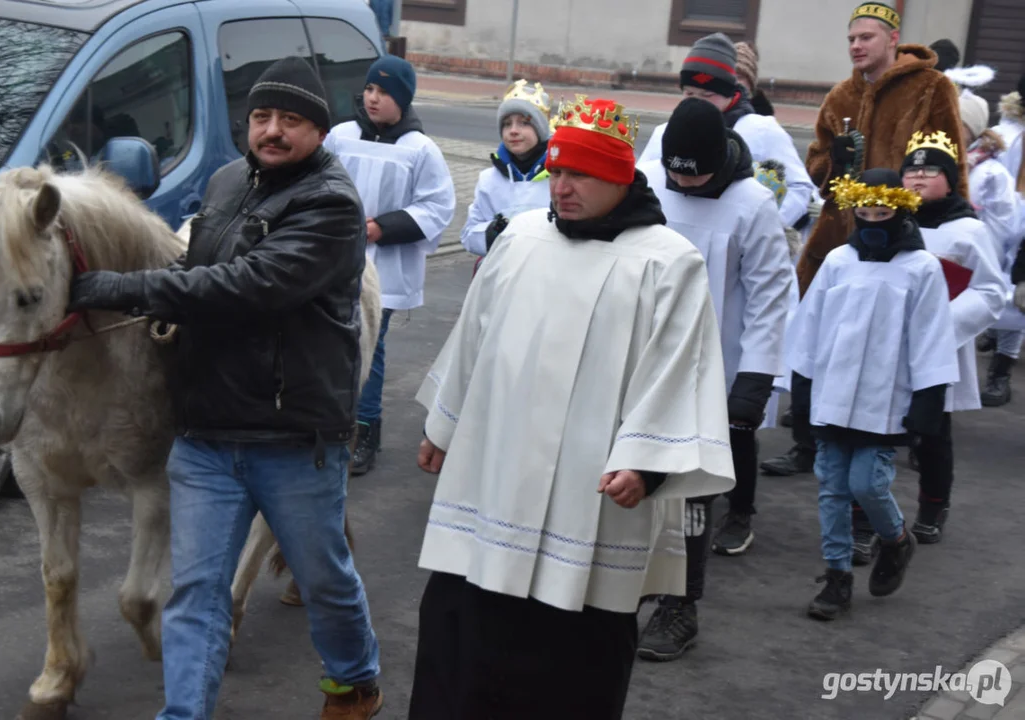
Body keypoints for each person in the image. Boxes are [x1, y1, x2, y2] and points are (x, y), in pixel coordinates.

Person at [65, 56, 383, 719]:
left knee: (324, 582)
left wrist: (118, 288)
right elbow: (196, 265)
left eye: (290, 120)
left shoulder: (331, 204)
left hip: (293, 436)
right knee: (197, 592)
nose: (271, 130)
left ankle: (354, 678)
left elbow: (248, 286)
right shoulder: (228, 180)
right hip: (207, 432)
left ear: (318, 132)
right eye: (262, 116)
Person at [408, 94, 736, 719]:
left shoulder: (669, 262)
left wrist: (647, 464)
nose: (560, 187)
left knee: (570, 661)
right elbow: (473, 336)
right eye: (556, 171)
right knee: (463, 632)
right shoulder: (523, 238)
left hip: (592, 498)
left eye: (578, 174)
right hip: (494, 480)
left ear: (619, 175)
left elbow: (678, 369)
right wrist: (443, 424)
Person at [762, 1, 967, 479]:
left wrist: (954, 219)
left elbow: (949, 163)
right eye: (851, 39)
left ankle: (891, 442)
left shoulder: (931, 89)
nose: (856, 46)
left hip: (902, 237)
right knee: (815, 339)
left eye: (866, 37)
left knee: (895, 348)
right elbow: (814, 173)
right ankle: (808, 443)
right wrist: (833, 160)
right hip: (838, 238)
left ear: (893, 40)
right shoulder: (839, 97)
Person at [634, 97, 792, 659]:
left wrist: (755, 379)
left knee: (692, 491)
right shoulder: (648, 181)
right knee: (632, 480)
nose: (685, 182)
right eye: (676, 172)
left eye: (695, 172)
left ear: (719, 161)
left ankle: (681, 608)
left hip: (713, 367)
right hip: (642, 359)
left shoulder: (752, 205)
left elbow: (772, 295)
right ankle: (622, 589)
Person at [787, 169, 959, 620]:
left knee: (867, 483)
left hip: (884, 402)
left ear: (898, 213)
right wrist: (802, 389)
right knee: (832, 488)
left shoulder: (921, 269)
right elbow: (809, 326)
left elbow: (931, 337)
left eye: (882, 213)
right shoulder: (840, 262)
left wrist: (928, 400)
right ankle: (837, 575)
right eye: (864, 214)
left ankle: (897, 539)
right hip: (832, 393)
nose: (872, 221)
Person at [324, 55, 456, 476]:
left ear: (403, 99)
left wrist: (382, 227)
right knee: (328, 340)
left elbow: (438, 206)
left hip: (385, 265)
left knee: (369, 345)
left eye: (383, 92)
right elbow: (315, 182)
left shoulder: (420, 150)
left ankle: (365, 430)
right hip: (333, 257)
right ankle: (326, 422)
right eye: (369, 90)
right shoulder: (341, 137)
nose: (373, 98)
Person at [889, 131, 1006, 544]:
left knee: (933, 432)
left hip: (939, 345)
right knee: (877, 429)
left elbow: (991, 290)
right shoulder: (889, 220)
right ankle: (870, 515)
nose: (918, 179)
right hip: (888, 341)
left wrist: (941, 323)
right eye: (911, 171)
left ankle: (933, 505)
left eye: (930, 170)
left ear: (950, 178)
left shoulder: (967, 231)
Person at [639, 33, 816, 232]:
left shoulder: (762, 130)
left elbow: (799, 188)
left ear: (729, 92)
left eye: (708, 95)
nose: (698, 101)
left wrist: (767, 228)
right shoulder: (664, 132)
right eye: (689, 93)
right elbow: (641, 184)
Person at [958, 90, 1024, 407]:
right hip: (986, 236)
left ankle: (1000, 373)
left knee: (1012, 302)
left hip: (1006, 236)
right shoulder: (1000, 135)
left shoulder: (991, 158)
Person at [460, 79, 553, 270]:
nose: (513, 131)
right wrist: (491, 232)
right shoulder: (489, 179)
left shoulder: (557, 177)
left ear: (541, 129)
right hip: (498, 272)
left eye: (524, 123)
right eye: (507, 124)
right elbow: (469, 233)